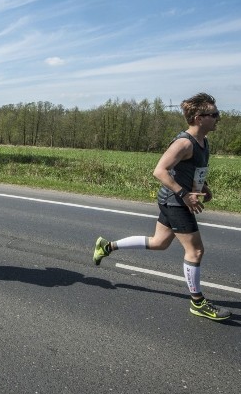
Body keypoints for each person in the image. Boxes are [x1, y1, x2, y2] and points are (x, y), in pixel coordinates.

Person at [92, 92, 229, 321]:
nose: (218, 117)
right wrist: (184, 195)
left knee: (159, 243)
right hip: (176, 201)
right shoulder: (184, 142)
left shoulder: (203, 141)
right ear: (198, 117)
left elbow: (190, 171)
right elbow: (160, 171)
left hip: (173, 198)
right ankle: (198, 302)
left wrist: (203, 187)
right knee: (195, 251)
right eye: (214, 114)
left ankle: (107, 247)